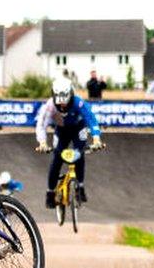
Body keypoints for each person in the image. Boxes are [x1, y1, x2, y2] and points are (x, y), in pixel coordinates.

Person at [35, 77, 103, 208]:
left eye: (65, 103)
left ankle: (80, 187)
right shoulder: (49, 106)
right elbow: (41, 125)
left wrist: (96, 138)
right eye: (59, 104)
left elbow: (91, 119)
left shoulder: (79, 103)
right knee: (57, 159)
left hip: (78, 129)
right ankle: (50, 192)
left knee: (79, 154)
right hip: (61, 131)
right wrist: (42, 142)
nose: (62, 107)